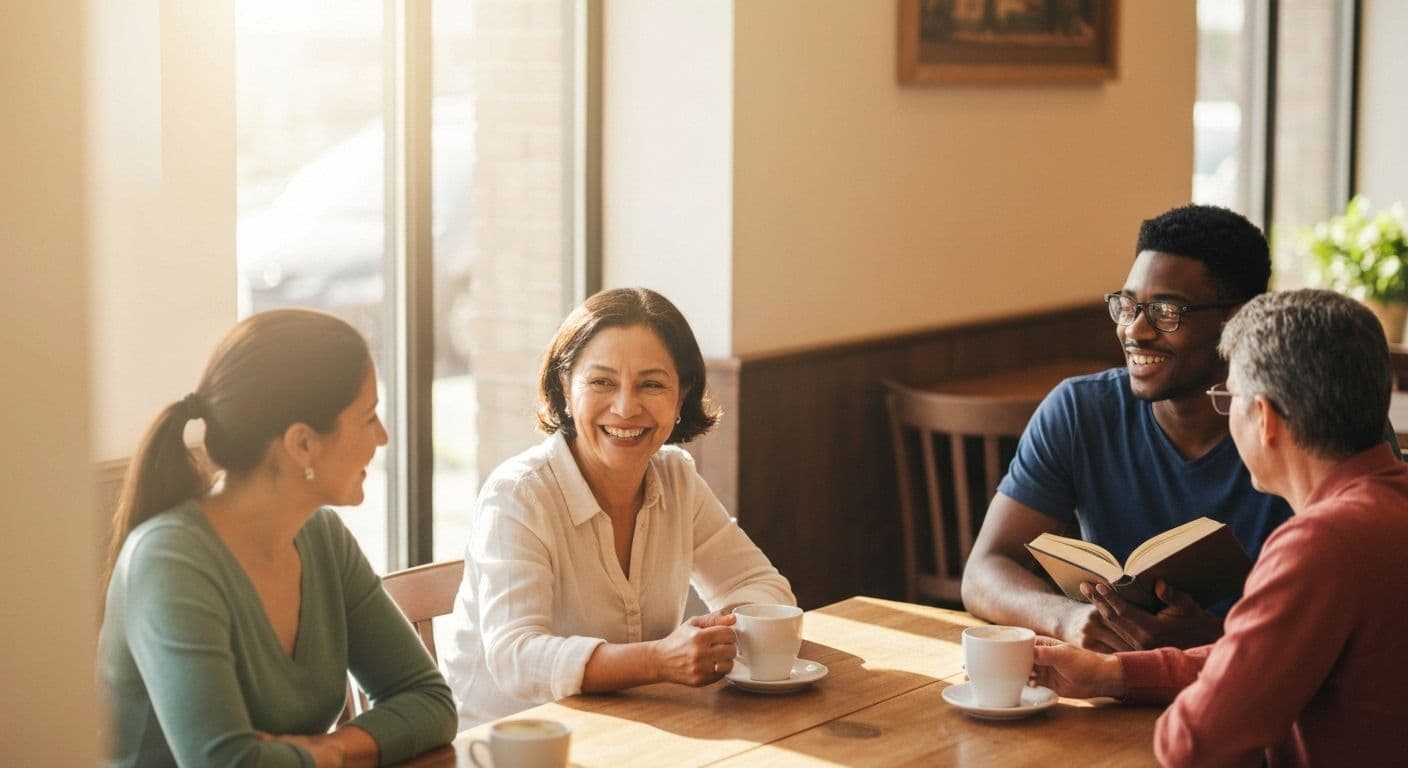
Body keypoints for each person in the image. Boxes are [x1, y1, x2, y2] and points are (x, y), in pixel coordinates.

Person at [1030, 289, 1408, 766]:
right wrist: (1112, 674)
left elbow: (1193, 742)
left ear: (1265, 418)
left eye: (1230, 398)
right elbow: (1262, 664)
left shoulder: (1320, 544)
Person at [98, 309, 456, 768]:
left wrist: (330, 748)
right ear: (302, 444)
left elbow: (430, 701)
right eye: (368, 418)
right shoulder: (170, 561)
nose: (383, 437)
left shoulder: (322, 538)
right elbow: (225, 762)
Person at [443, 287, 795, 728]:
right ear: (565, 389)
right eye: (601, 382)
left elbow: (761, 586)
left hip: (632, 732)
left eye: (652, 384)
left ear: (681, 395)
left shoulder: (676, 477)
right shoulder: (519, 494)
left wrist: (716, 639)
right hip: (505, 747)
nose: (627, 407)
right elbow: (516, 656)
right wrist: (659, 660)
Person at [961, 204, 1293, 652]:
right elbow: (984, 570)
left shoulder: (1300, 424)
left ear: (1239, 318)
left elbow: (1360, 606)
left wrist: (1213, 639)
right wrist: (1067, 618)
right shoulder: (1080, 410)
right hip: (1110, 682)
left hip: (1260, 690)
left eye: (1165, 311)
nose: (1135, 330)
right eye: (1128, 305)